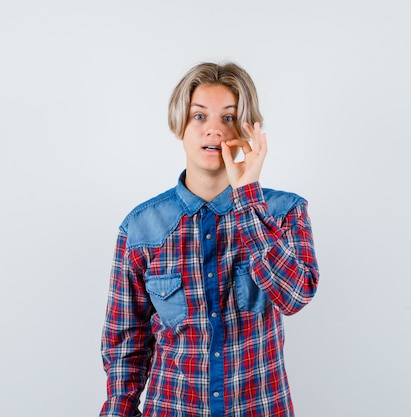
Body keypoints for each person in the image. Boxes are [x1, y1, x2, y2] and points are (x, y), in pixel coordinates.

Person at [100, 62, 319, 417]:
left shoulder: (283, 212)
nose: (214, 130)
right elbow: (127, 344)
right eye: (199, 116)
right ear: (180, 125)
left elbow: (295, 295)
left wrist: (247, 196)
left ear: (248, 130)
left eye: (229, 118)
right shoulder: (141, 228)